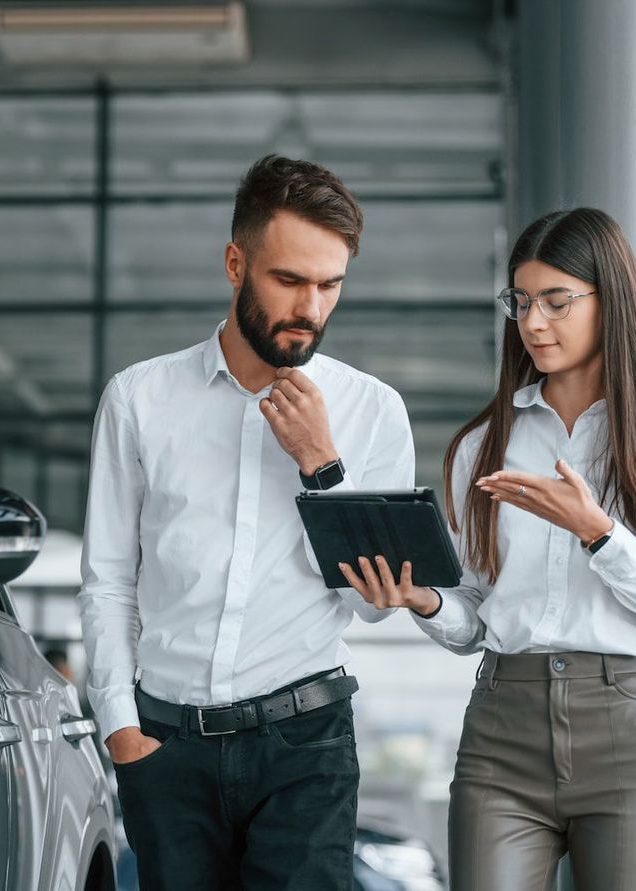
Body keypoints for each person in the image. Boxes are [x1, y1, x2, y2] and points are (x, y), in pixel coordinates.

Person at [340, 207, 636, 891]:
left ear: (612, 303)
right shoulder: (484, 444)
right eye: (520, 301)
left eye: (556, 301)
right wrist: (423, 597)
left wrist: (598, 532)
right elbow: (477, 617)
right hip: (500, 732)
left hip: (624, 726)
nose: (533, 322)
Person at [77, 155, 416, 890]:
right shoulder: (139, 400)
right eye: (289, 281)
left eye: (330, 285)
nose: (311, 308)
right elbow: (107, 581)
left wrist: (322, 464)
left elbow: (372, 604)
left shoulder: (372, 411)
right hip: (165, 746)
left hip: (306, 744)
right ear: (236, 264)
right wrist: (120, 728)